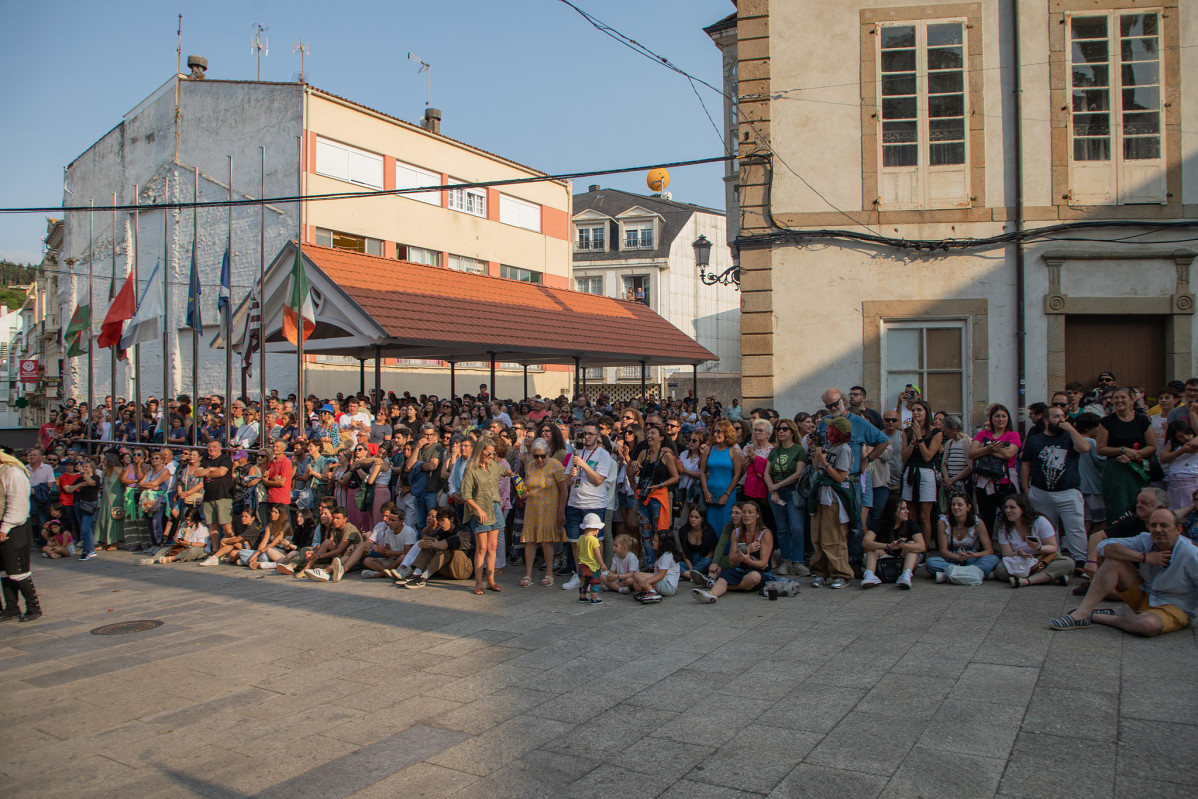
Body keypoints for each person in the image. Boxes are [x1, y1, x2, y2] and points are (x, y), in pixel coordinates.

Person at [1052, 508, 1198, 635]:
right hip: (1146, 595)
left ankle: (1094, 616)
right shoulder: (1145, 540)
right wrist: (1144, 557)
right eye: (1153, 525)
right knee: (1114, 560)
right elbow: (1104, 546)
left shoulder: (1190, 553)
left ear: (1178, 529)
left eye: (1164, 525)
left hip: (1174, 608)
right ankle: (1081, 613)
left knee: (1146, 625)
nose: (1158, 530)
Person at [1020, 406, 1091, 570]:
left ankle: (1080, 561)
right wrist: (1025, 487)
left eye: (1062, 416)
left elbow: (1085, 448)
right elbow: (1026, 464)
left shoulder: (1070, 437)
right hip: (1041, 492)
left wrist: (1071, 429)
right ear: (1046, 420)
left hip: (1068, 493)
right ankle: (1053, 559)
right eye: (1056, 417)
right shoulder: (1035, 440)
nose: (1060, 420)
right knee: (1047, 528)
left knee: (1076, 528)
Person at [561, 421, 615, 590]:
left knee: (593, 542)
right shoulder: (576, 454)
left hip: (593, 504)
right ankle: (579, 575)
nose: (587, 437)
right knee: (575, 542)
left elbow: (599, 480)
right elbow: (567, 482)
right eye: (584, 433)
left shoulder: (603, 455)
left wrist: (583, 465)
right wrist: (572, 474)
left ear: (598, 436)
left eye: (591, 433)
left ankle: (595, 575)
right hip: (575, 503)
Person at [692, 500, 774, 603]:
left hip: (760, 572)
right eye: (744, 512)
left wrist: (749, 561)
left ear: (757, 515)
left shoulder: (765, 534)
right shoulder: (736, 532)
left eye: (750, 512)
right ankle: (711, 594)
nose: (746, 515)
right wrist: (748, 549)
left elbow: (763, 564)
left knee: (753, 577)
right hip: (741, 570)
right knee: (723, 578)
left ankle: (723, 586)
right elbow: (732, 561)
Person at [1095, 386, 1156, 522]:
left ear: (1132, 400)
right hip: (1116, 469)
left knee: (1140, 504)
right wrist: (1122, 450)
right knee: (1118, 506)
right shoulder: (1106, 422)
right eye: (1116, 397)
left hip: (1138, 469)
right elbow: (1101, 449)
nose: (1119, 400)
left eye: (1123, 397)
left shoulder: (1142, 420)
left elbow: (1152, 446)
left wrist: (1134, 454)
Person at [460, 434, 511, 595]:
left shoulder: (493, 465)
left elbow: (503, 470)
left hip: (494, 506)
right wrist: (478, 510)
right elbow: (465, 494)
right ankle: (478, 582)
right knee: (481, 547)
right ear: (480, 451)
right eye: (488, 453)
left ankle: (491, 580)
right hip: (480, 508)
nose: (490, 456)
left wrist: (513, 474)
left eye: (492, 453)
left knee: (493, 546)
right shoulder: (471, 468)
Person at [808, 416, 855, 589]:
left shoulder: (844, 449)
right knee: (818, 535)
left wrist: (825, 463)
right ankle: (820, 571)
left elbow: (840, 477)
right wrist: (815, 451)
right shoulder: (829, 446)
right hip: (820, 496)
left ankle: (841, 573)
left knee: (833, 536)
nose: (826, 431)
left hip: (835, 497)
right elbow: (816, 467)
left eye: (830, 429)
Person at [993, 493, 1073, 588]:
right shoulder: (1004, 527)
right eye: (1005, 507)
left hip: (1041, 558)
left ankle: (1027, 581)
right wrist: (1019, 553)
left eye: (1012, 507)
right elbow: (1007, 553)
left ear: (1022, 508)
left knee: (1068, 563)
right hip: (1020, 560)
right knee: (1000, 569)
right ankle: (1049, 578)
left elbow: (1053, 547)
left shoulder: (1040, 521)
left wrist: (1038, 548)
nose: (1008, 510)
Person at [519, 437, 567, 588]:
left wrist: (561, 511)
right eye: (536, 456)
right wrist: (523, 492)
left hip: (549, 508)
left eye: (542, 456)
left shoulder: (556, 465)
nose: (539, 459)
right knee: (530, 541)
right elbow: (527, 486)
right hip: (532, 507)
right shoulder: (530, 466)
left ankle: (549, 573)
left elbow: (564, 490)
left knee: (547, 541)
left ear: (548, 453)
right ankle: (528, 574)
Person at [629, 425, 679, 568]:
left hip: (659, 497)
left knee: (660, 533)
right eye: (648, 433)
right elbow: (632, 474)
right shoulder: (643, 454)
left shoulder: (666, 455)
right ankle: (650, 564)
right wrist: (634, 472)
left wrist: (660, 485)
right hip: (643, 498)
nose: (649, 436)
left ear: (661, 438)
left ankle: (661, 564)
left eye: (653, 433)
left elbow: (675, 477)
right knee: (646, 532)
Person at [969, 404, 1021, 533]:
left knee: (1010, 516)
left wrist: (987, 448)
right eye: (997, 416)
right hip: (985, 482)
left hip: (1005, 481)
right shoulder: (982, 434)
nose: (1000, 419)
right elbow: (971, 453)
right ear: (991, 418)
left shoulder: (1013, 435)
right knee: (986, 518)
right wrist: (989, 448)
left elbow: (1009, 454)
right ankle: (986, 548)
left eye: (1004, 416)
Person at [0, 450, 39, 622]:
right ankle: (11, 607)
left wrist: (5, 527)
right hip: (3, 526)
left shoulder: (12, 472)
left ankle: (33, 606)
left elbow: (18, 502)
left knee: (18, 569)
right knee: (4, 570)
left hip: (14, 527)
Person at [925, 492, 999, 581]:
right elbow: (943, 551)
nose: (956, 508)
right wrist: (958, 557)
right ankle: (973, 574)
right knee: (931, 562)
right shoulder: (943, 522)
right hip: (951, 557)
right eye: (953, 505)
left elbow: (989, 550)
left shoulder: (978, 522)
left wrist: (973, 555)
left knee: (993, 559)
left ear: (968, 507)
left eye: (960, 505)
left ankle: (950, 575)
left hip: (971, 557)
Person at [396, 506, 475, 588]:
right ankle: (416, 574)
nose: (440, 524)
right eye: (439, 521)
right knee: (431, 544)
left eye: (443, 520)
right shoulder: (442, 530)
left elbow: (446, 544)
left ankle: (423, 578)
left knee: (445, 549)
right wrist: (425, 542)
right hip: (449, 569)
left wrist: (431, 544)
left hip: (464, 570)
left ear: (451, 519)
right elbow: (427, 539)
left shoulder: (463, 531)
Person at [900, 399, 942, 548]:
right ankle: (911, 546)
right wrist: (913, 441)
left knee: (925, 517)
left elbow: (928, 456)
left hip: (926, 473)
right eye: (913, 410)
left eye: (919, 410)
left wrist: (920, 439)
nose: (916, 413)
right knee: (911, 515)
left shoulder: (936, 433)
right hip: (910, 472)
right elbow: (904, 457)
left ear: (926, 413)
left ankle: (923, 549)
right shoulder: (907, 431)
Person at [277, 506, 359, 581]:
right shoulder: (334, 529)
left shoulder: (349, 528)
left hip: (348, 558)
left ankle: (309, 569)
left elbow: (338, 550)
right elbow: (328, 544)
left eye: (338, 518)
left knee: (315, 556)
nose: (335, 520)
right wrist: (314, 553)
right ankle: (303, 567)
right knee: (316, 548)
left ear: (345, 519)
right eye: (334, 518)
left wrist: (319, 555)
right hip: (336, 556)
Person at [861, 494, 925, 589]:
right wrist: (888, 546)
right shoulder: (880, 522)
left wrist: (903, 546)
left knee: (912, 545)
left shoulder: (910, 523)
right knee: (871, 548)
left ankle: (906, 575)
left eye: (906, 508)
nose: (907, 511)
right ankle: (869, 575)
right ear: (893, 511)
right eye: (903, 509)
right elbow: (865, 542)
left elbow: (922, 547)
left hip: (904, 558)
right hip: (885, 556)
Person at [699, 419, 744, 539]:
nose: (715, 434)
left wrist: (727, 494)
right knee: (710, 524)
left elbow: (737, 475)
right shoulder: (708, 450)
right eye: (714, 431)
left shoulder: (734, 451)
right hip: (710, 493)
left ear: (727, 433)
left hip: (727, 493)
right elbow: (702, 472)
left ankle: (727, 553)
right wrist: (706, 492)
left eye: (719, 431)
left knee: (726, 523)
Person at [627, 524, 682, 604]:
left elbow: (661, 575)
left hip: (668, 586)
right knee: (635, 583)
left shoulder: (666, 556)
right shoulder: (664, 554)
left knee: (637, 576)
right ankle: (648, 591)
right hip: (664, 583)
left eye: (655, 541)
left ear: (662, 543)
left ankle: (652, 592)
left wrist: (647, 581)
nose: (653, 542)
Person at [136, 507, 209, 565]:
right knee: (165, 549)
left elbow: (203, 544)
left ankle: (171, 558)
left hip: (198, 549)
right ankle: (152, 560)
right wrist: (178, 541)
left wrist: (189, 544)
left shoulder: (202, 528)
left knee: (192, 551)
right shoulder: (184, 525)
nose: (187, 522)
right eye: (186, 520)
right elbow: (178, 537)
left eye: (189, 520)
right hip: (184, 546)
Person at [198, 439, 235, 544]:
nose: (211, 449)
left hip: (223, 496)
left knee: (226, 525)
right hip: (208, 497)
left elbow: (221, 472)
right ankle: (215, 549)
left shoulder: (225, 459)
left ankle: (230, 547)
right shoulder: (205, 460)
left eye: (214, 447)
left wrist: (207, 473)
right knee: (212, 525)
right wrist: (211, 469)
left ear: (220, 448)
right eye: (209, 447)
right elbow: (196, 473)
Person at [1159, 420, 1198, 510]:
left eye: (1187, 433)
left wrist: (1192, 413)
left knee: (1188, 510)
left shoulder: (1194, 442)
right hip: (1174, 482)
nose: (1186, 438)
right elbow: (1163, 458)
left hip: (1190, 480)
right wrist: (1182, 450)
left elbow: (1192, 444)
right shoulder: (1174, 444)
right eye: (1180, 436)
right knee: (1174, 512)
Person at [572, 512, 607, 605]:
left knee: (584, 582)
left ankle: (582, 597)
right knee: (594, 582)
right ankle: (594, 598)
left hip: (582, 565)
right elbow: (597, 554)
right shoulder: (594, 540)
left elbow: (578, 550)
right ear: (595, 530)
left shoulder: (580, 538)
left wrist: (579, 561)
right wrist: (602, 564)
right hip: (592, 567)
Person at [678, 508, 718, 580]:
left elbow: (710, 554)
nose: (693, 519)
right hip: (689, 561)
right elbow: (684, 553)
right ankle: (693, 576)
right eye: (691, 516)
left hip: (703, 560)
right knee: (674, 564)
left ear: (702, 519)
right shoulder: (683, 531)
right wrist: (691, 568)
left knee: (708, 562)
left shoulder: (709, 532)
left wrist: (693, 570)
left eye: (696, 517)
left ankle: (686, 575)